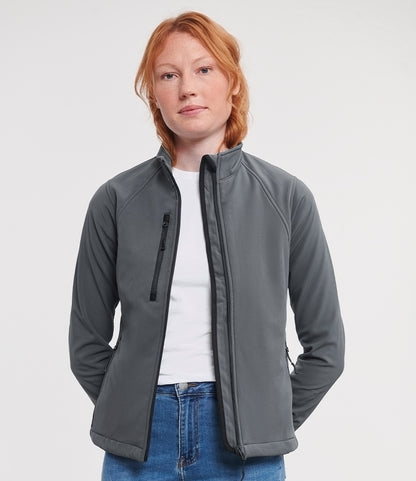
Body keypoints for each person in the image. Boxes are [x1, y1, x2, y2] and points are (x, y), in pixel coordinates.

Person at [69, 11, 345, 481]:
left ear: (232, 82)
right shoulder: (116, 200)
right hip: (141, 445)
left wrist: (267, 421)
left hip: (244, 448)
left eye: (204, 69)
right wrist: (128, 413)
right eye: (168, 75)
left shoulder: (285, 198)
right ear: (154, 94)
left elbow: (327, 347)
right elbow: (86, 344)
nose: (187, 89)